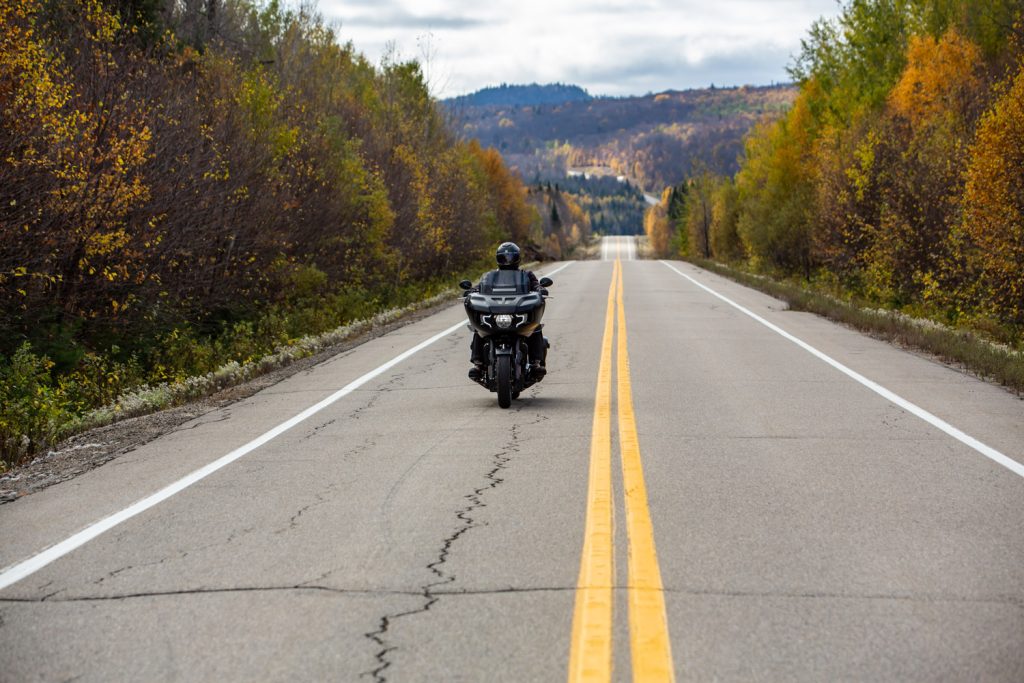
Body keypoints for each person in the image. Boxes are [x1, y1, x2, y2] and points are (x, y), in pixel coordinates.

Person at [468, 242, 547, 381]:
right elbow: (479, 287)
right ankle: (478, 364)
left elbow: (536, 284)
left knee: (535, 327)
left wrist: (540, 289)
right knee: (479, 328)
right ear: (498, 259)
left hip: (516, 312)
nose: (507, 260)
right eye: (504, 257)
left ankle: (535, 363)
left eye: (510, 256)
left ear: (517, 258)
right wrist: (472, 291)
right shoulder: (490, 276)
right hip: (497, 312)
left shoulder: (526, 274)